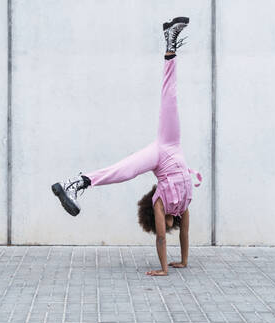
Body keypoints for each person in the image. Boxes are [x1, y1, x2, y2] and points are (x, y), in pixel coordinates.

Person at [51, 17, 202, 276]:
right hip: (171, 145)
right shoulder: (183, 205)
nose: (164, 228)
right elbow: (183, 234)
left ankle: (77, 183)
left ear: (155, 222)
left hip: (160, 153)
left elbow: (164, 238)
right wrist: (175, 265)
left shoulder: (160, 202)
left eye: (159, 226)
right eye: (164, 226)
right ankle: (75, 184)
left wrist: (170, 267)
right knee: (171, 98)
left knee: (126, 170)